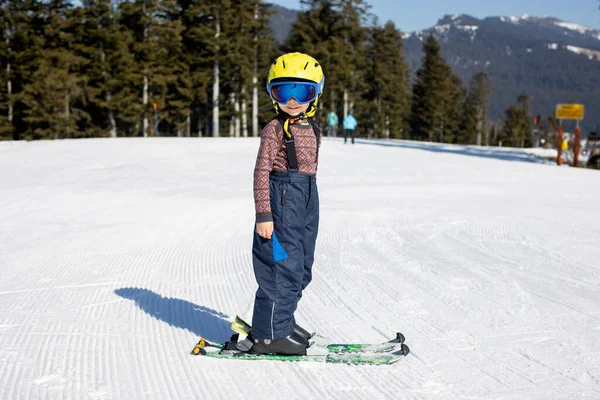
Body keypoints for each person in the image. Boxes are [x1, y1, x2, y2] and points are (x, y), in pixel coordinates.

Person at [250, 52, 324, 356]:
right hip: (282, 201)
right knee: (282, 266)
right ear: (272, 94)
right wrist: (264, 214)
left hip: (306, 198)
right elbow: (261, 171)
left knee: (302, 264)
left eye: (302, 91)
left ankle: (283, 321)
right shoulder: (274, 129)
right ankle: (269, 336)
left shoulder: (313, 128)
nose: (292, 100)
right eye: (284, 91)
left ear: (315, 94)